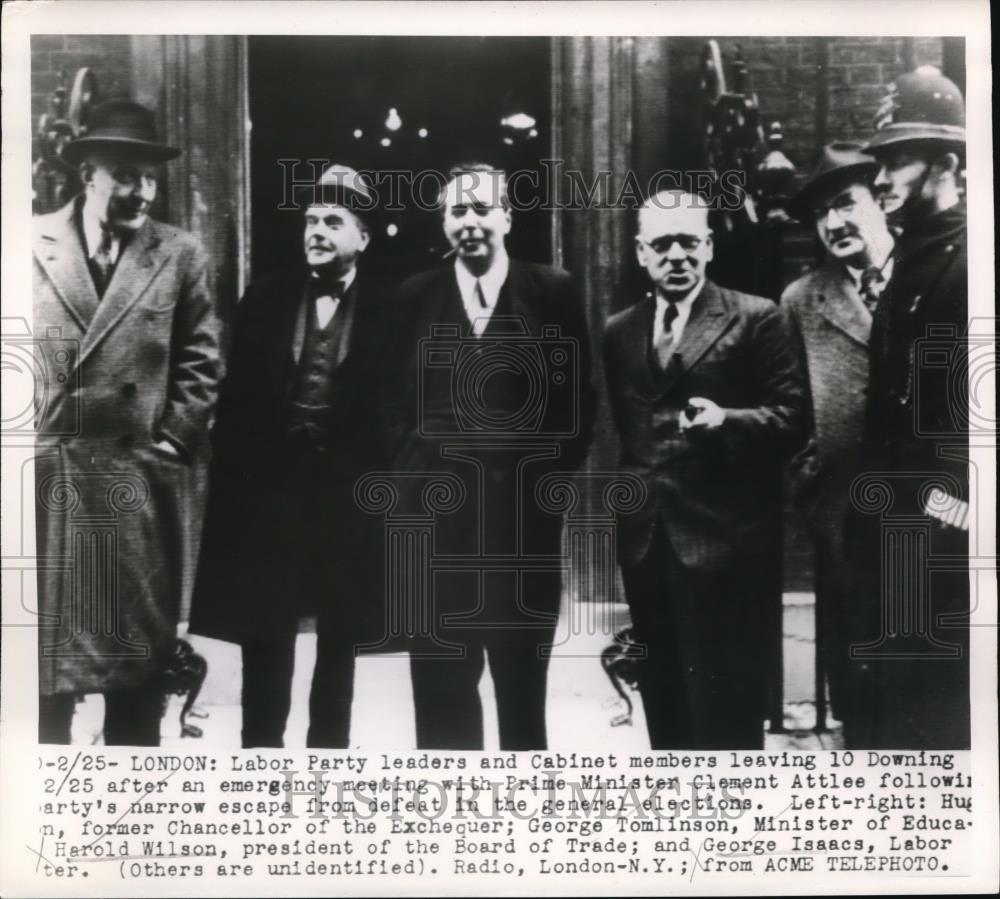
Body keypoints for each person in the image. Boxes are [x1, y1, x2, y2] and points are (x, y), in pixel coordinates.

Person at [385, 163, 595, 750]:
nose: (470, 223)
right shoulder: (413, 297)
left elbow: (576, 402)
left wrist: (542, 486)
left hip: (520, 532)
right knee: (441, 692)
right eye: (458, 212)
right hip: (435, 535)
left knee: (522, 691)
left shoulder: (552, 290)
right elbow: (390, 403)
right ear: (443, 222)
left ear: (506, 216)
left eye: (482, 210)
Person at [33, 100, 221, 745]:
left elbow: (203, 360)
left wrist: (171, 440)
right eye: (124, 174)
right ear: (88, 173)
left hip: (136, 485)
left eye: (149, 176)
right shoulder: (26, 243)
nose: (141, 190)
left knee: (134, 667)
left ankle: (133, 804)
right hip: (50, 489)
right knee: (44, 673)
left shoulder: (180, 253)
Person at [189, 164, 394, 748]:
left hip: (350, 497)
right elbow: (236, 400)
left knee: (341, 635)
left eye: (334, 221)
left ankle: (327, 755)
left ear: (363, 236)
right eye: (311, 220)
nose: (318, 231)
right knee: (266, 631)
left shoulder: (392, 304)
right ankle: (262, 754)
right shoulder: (267, 296)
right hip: (274, 496)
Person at [602, 190, 807, 750]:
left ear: (709, 246)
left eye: (688, 242)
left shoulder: (755, 317)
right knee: (664, 701)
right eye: (662, 244)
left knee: (726, 706)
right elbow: (630, 432)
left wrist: (728, 420)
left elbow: (793, 419)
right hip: (648, 542)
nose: (677, 255)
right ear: (642, 252)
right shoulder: (619, 330)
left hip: (726, 543)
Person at [847, 66, 969, 748]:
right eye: (881, 161)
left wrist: (945, 515)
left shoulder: (969, 263)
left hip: (938, 544)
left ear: (946, 162)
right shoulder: (913, 257)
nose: (883, 178)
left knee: (930, 724)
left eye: (901, 160)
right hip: (887, 532)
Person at [781, 143, 895, 736]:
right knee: (857, 683)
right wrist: (816, 489)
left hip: (928, 512)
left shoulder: (934, 274)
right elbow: (790, 410)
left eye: (846, 203)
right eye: (821, 213)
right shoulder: (801, 301)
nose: (835, 223)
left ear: (881, 199)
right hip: (846, 516)